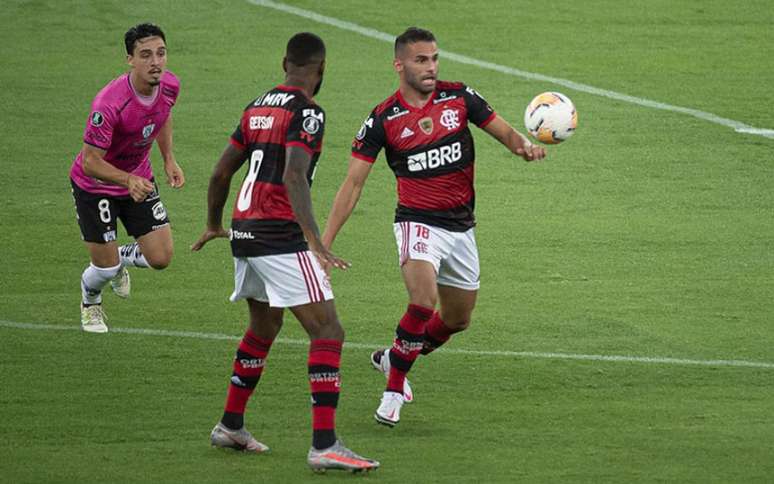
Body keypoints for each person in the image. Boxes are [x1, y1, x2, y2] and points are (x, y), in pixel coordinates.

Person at [321, 27, 546, 427]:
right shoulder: (383, 119)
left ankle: (394, 355)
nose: (431, 67)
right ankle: (393, 390)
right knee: (423, 301)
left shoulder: (459, 97)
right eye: (421, 60)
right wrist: (324, 243)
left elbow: (506, 132)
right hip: (417, 222)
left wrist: (523, 148)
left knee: (457, 319)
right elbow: (353, 183)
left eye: (435, 58)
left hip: (461, 227)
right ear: (399, 64)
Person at [191, 32, 379, 473]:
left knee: (264, 324)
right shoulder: (308, 112)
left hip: (244, 232)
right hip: (279, 235)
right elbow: (295, 176)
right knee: (328, 331)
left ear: (284, 64)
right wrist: (314, 239)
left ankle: (231, 425)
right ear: (322, 68)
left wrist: (214, 223)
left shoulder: (258, 106)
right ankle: (324, 445)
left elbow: (221, 172)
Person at [70, 23, 185, 333]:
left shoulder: (169, 85)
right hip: (95, 187)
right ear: (130, 60)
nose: (155, 62)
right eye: (145, 55)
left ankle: (120, 257)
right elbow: (90, 162)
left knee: (161, 257)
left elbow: (163, 114)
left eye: (161, 54)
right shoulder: (109, 104)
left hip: (138, 180)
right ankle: (90, 300)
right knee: (103, 268)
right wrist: (127, 181)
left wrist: (169, 158)